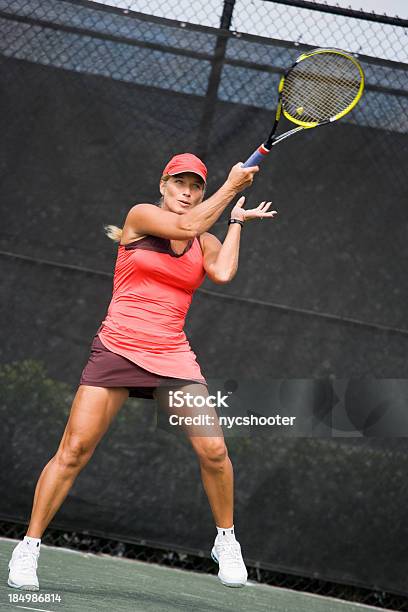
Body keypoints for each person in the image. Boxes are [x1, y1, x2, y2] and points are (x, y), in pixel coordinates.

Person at [8, 153, 277, 591]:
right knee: (74, 450)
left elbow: (223, 271)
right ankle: (29, 546)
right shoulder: (142, 216)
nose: (187, 193)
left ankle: (225, 540)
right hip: (118, 347)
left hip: (172, 355)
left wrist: (237, 221)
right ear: (163, 185)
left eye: (195, 186)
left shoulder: (204, 239)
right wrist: (230, 189)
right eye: (179, 184)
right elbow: (186, 226)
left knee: (214, 452)